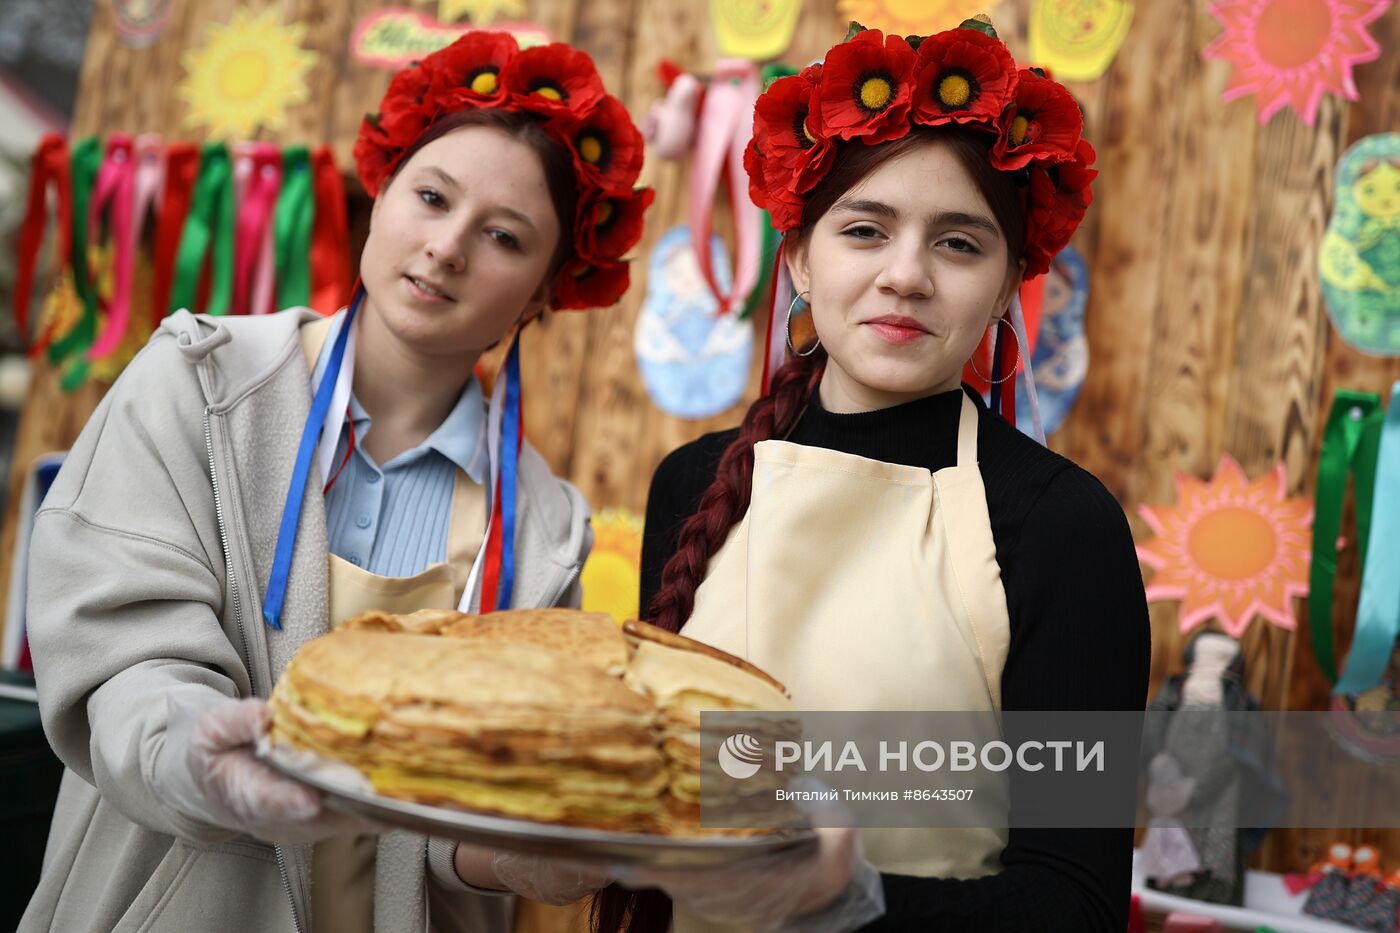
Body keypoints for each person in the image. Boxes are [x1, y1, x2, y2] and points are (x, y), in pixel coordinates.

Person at [20, 30, 651, 933]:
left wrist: (508, 853)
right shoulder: (198, 386)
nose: (445, 248)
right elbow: (125, 664)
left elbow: (458, 810)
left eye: (504, 237)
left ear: (550, 290)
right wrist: (202, 759)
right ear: (381, 190)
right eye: (430, 198)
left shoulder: (544, 530)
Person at [592, 18, 1150, 933]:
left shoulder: (1061, 526)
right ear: (802, 259)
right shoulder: (690, 484)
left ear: (1010, 285)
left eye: (959, 244)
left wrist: (846, 901)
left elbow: (1073, 901)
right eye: (865, 229)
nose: (905, 275)